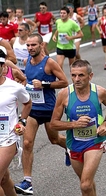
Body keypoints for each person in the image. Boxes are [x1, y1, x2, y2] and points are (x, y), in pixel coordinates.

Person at [50, 59, 106, 196]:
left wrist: (105, 123)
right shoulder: (64, 94)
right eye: (73, 75)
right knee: (86, 183)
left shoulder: (99, 92)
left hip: (95, 141)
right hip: (74, 143)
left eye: (81, 75)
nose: (76, 79)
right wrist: (74, 124)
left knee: (85, 185)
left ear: (90, 76)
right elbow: (54, 124)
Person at [14, 33, 69, 195]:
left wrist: (44, 84)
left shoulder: (49, 63)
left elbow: (65, 82)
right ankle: (27, 182)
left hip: (49, 109)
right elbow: (27, 79)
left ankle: (69, 147)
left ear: (41, 45)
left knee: (55, 139)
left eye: (33, 45)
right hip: (33, 110)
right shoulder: (26, 62)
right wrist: (24, 84)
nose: (30, 48)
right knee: (27, 143)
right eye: (28, 46)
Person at [0, 49, 32, 196]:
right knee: (4, 179)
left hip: (8, 138)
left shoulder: (15, 87)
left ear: (4, 67)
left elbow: (28, 103)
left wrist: (22, 121)